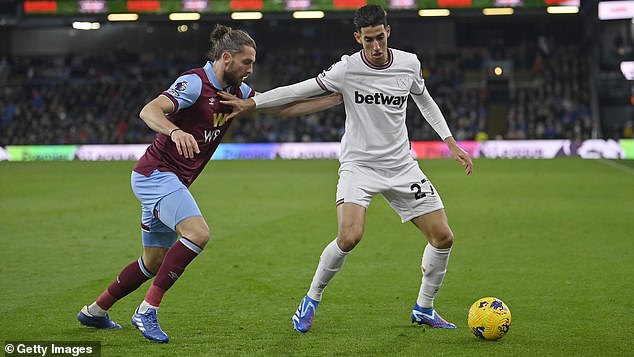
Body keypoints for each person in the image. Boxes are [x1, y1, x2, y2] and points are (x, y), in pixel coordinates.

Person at [76, 24, 341, 343]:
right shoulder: (193, 84)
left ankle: (95, 310)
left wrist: (335, 99)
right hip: (155, 175)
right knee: (198, 233)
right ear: (226, 58)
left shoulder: (238, 93)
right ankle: (147, 311)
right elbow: (149, 110)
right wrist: (175, 131)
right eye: (247, 62)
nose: (251, 70)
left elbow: (283, 108)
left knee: (152, 261)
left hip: (170, 181)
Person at [219, 4, 473, 333]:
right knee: (350, 236)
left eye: (380, 38)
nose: (376, 47)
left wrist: (449, 140)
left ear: (388, 32)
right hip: (359, 166)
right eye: (368, 40)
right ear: (358, 38)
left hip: (402, 166)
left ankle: (424, 308)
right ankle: (311, 298)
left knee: (443, 237)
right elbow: (299, 90)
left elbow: (422, 98)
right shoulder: (347, 70)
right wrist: (254, 102)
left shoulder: (409, 64)